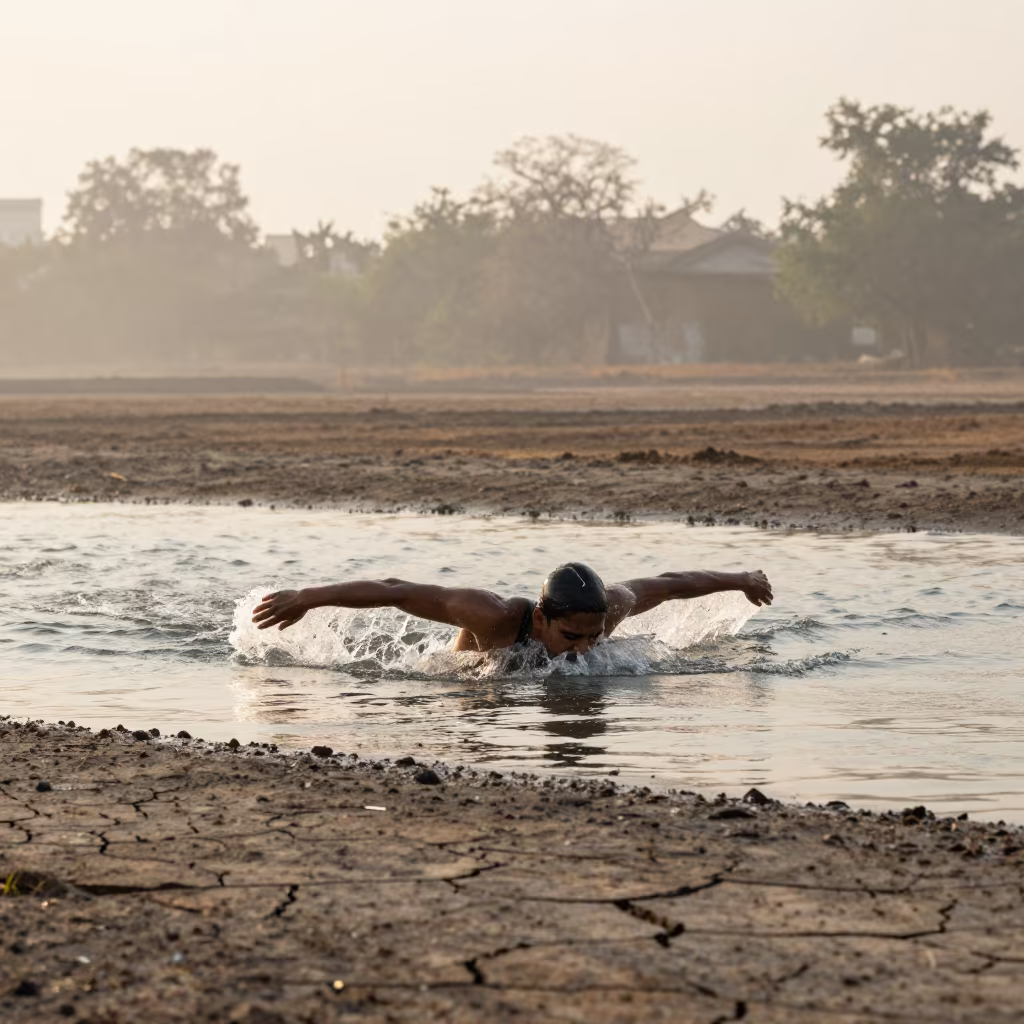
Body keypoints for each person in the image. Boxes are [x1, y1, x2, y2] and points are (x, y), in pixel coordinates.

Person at [251, 562, 773, 659]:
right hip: (471, 677)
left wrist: (741, 579)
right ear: (542, 619)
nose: (585, 650)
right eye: (572, 638)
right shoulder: (491, 616)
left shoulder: (609, 609)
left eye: (594, 638)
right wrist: (308, 597)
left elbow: (673, 584)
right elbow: (396, 590)